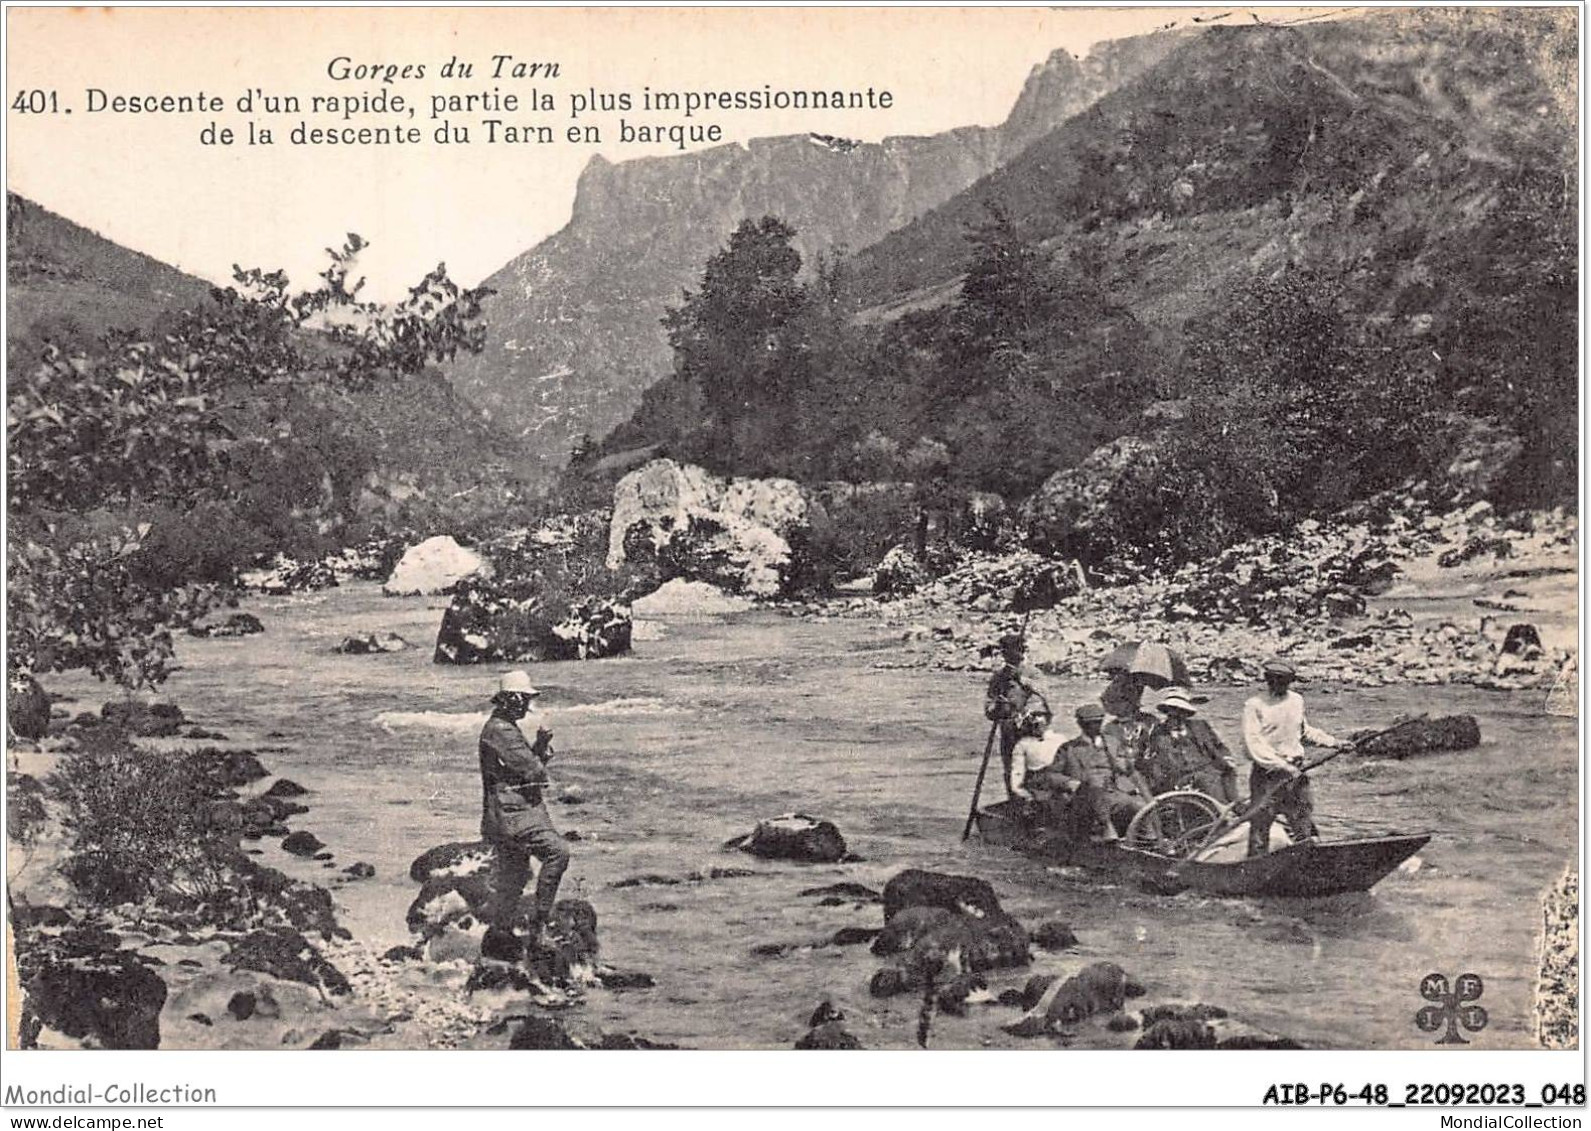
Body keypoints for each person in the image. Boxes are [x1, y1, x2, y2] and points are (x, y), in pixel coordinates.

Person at [479, 670, 571, 958]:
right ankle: (539, 924)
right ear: (513, 699)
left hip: (502, 813)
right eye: (525, 699)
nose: (527, 706)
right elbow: (534, 771)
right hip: (512, 814)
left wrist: (539, 747)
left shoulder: (500, 727)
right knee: (558, 852)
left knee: (514, 875)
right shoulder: (502, 730)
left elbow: (524, 766)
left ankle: (499, 938)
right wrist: (541, 747)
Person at [1240, 659, 1347, 857]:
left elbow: (1304, 732)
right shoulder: (1254, 705)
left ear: (1290, 682)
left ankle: (1309, 864)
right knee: (1261, 824)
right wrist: (1282, 766)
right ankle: (1255, 867)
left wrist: (1335, 742)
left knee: (1303, 819)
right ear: (1267, 680)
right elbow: (1253, 744)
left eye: (1283, 681)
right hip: (1267, 775)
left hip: (1296, 772)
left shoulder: (1296, 701)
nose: (1278, 685)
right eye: (1274, 681)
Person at [1051, 703, 1145, 841]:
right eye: (1090, 723)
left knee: (1139, 805)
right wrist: (1071, 783)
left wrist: (1127, 763)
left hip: (1114, 792)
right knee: (1094, 789)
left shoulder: (1112, 743)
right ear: (1081, 724)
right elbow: (1051, 775)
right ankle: (1108, 831)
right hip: (1083, 797)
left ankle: (1149, 840)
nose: (1095, 726)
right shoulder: (1069, 748)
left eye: (1098, 722)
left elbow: (1127, 768)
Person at [1140, 686, 1241, 804]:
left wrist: (1226, 757)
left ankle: (1234, 806)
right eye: (1171, 711)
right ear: (1167, 711)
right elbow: (1157, 763)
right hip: (1180, 777)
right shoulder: (1159, 733)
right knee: (1205, 780)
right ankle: (1222, 811)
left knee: (1226, 772)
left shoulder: (1199, 726)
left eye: (1180, 712)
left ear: (1185, 713)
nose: (1175, 715)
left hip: (1207, 768)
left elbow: (1218, 746)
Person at [985, 633, 1050, 799]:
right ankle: (1014, 802)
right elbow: (988, 709)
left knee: (1033, 766)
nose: (1007, 656)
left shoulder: (1033, 673)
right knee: (1010, 769)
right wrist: (996, 707)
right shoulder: (999, 678)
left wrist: (1022, 680)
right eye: (1004, 652)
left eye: (1011, 652)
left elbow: (1043, 695)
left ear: (1020, 651)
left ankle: (1034, 804)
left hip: (1030, 729)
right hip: (1008, 730)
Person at [1008, 704, 1066, 802]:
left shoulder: (1060, 739)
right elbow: (1018, 770)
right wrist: (1020, 791)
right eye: (1034, 721)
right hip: (1038, 786)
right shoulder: (1023, 744)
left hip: (1061, 782)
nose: (1038, 724)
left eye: (1041, 720)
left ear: (1047, 721)